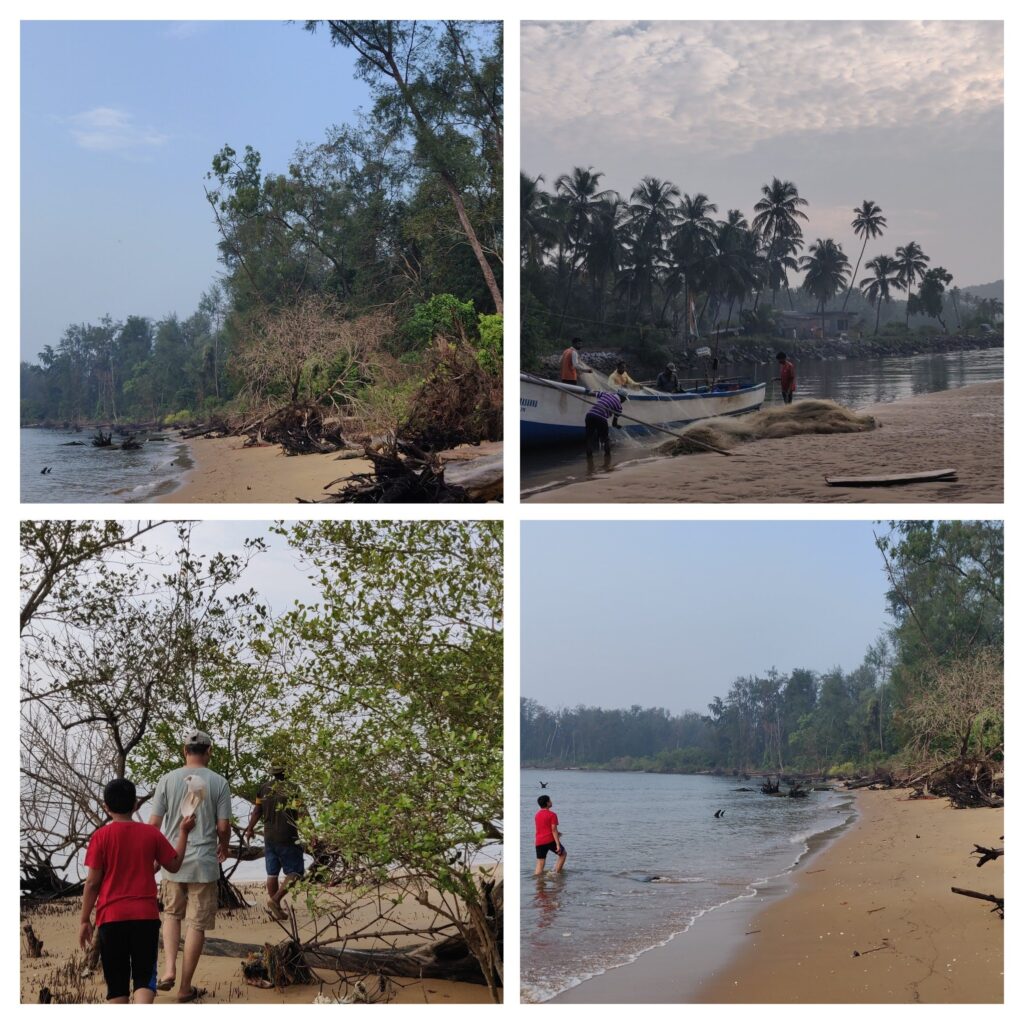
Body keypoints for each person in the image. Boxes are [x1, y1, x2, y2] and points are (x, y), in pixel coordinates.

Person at [79, 778, 195, 1004]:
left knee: (117, 986)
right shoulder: (150, 834)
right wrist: (183, 832)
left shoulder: (100, 837)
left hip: (111, 918)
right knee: (144, 979)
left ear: (106, 807)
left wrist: (84, 919)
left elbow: (92, 883)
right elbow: (174, 864)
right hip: (145, 917)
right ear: (135, 805)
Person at [148, 728, 232, 1003]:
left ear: (185, 752)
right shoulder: (219, 782)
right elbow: (223, 826)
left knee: (171, 915)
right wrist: (224, 845)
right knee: (197, 924)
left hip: (172, 859)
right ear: (208, 752)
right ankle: (185, 987)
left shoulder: (167, 779)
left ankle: (169, 968)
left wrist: (152, 857)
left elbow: (154, 825)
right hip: (204, 863)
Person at [244, 763, 306, 921]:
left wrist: (250, 829)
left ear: (273, 773)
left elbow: (257, 811)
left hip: (269, 837)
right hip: (288, 836)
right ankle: (275, 900)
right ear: (286, 772)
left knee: (272, 874)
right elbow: (301, 812)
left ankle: (275, 909)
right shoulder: (293, 789)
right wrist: (311, 833)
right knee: (296, 873)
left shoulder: (263, 788)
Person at [584, 389, 625, 457]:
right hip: (601, 418)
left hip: (590, 415)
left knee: (589, 438)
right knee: (606, 439)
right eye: (625, 399)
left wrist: (587, 391)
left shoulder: (607, 394)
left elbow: (592, 393)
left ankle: (589, 458)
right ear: (622, 398)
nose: (624, 401)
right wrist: (617, 426)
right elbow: (614, 423)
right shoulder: (619, 407)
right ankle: (608, 458)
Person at [534, 795, 566, 875]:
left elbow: (543, 827)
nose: (551, 801)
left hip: (539, 841)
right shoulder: (552, 814)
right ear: (547, 803)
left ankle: (538, 883)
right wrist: (558, 844)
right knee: (563, 854)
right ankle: (555, 874)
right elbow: (553, 829)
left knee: (540, 862)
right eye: (550, 800)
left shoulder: (537, 815)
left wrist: (557, 833)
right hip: (549, 840)